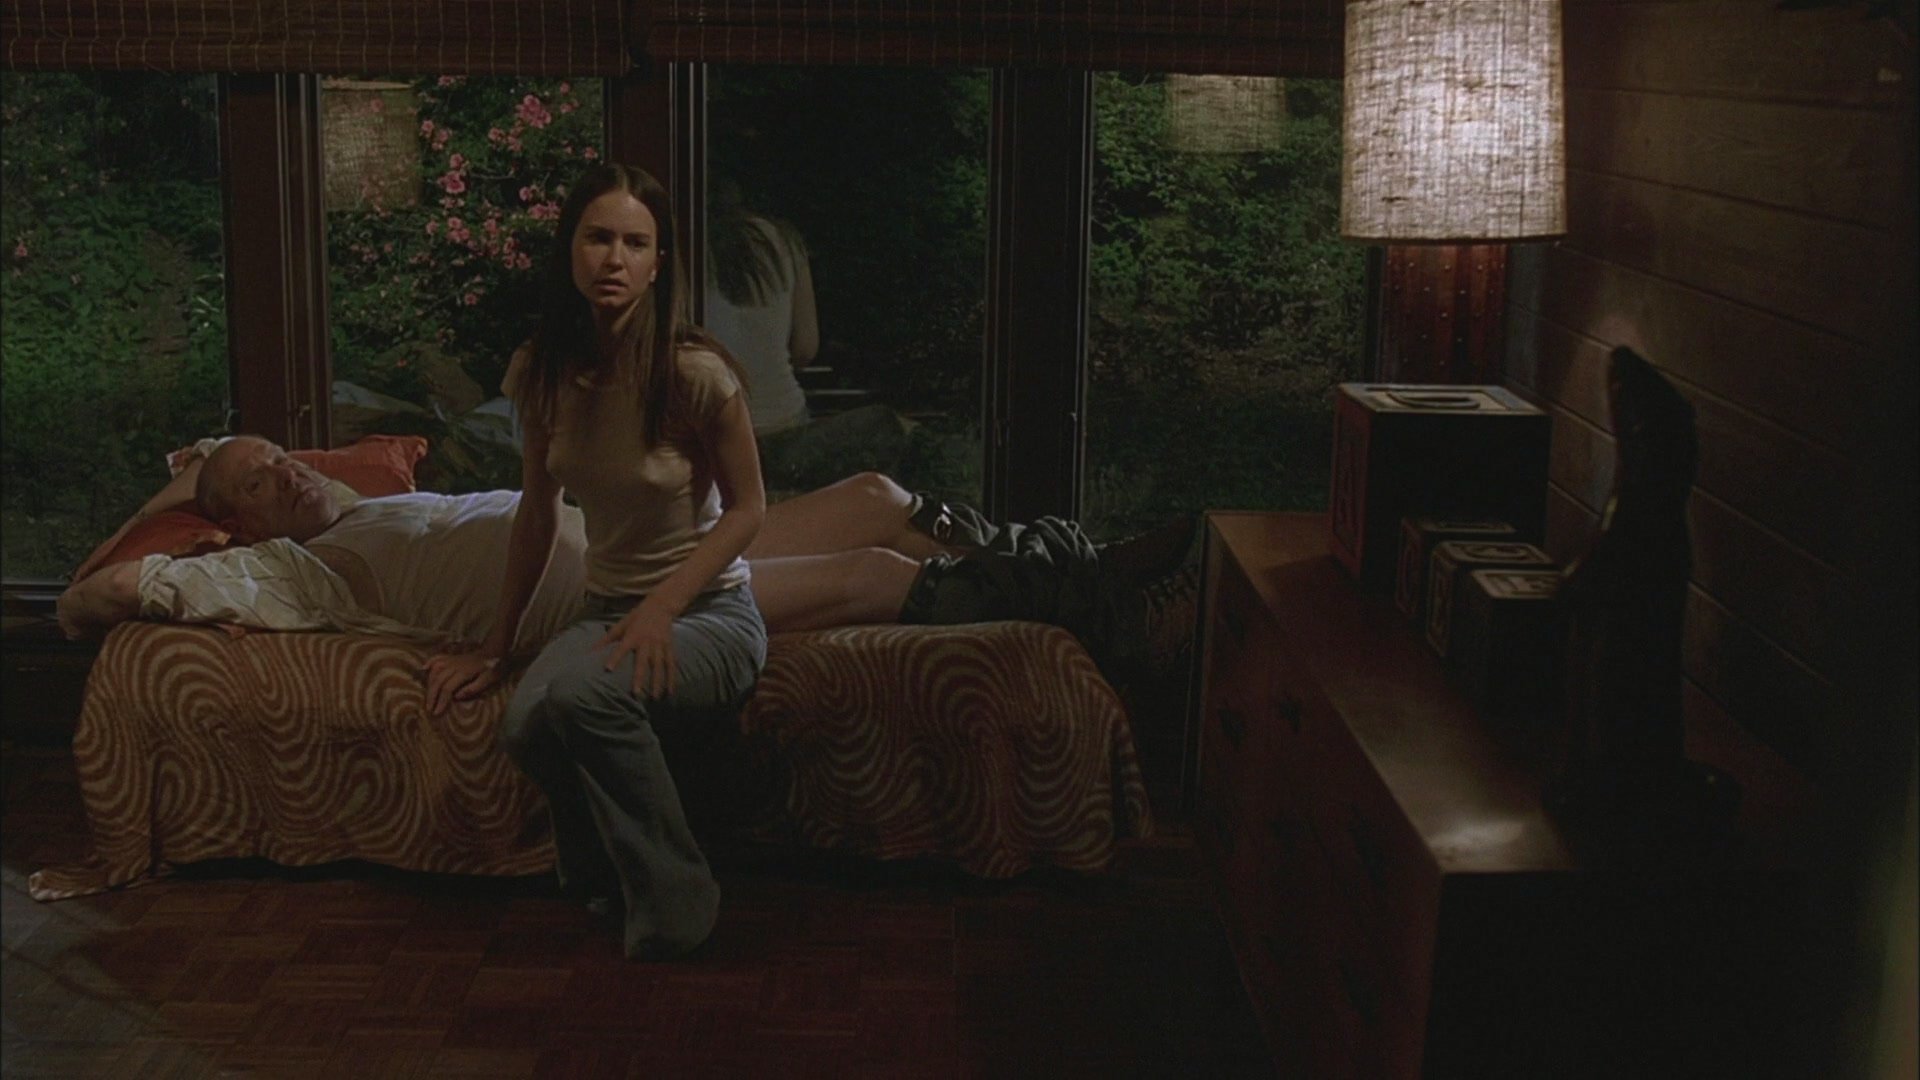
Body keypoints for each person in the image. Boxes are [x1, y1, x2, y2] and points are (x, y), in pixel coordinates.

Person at [59, 438, 1199, 684]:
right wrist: (178, 500)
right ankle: (1119, 619)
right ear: (241, 528)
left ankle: (1090, 563)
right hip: (615, 597)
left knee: (874, 495)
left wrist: (224, 459)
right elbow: (92, 596)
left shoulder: (373, 505)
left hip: (650, 540)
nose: (287, 471)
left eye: (280, 455)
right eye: (260, 481)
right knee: (871, 571)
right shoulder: (286, 574)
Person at [702, 182, 817, 439]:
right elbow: (805, 348)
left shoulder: (689, 243)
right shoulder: (785, 241)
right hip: (784, 418)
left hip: (713, 425)